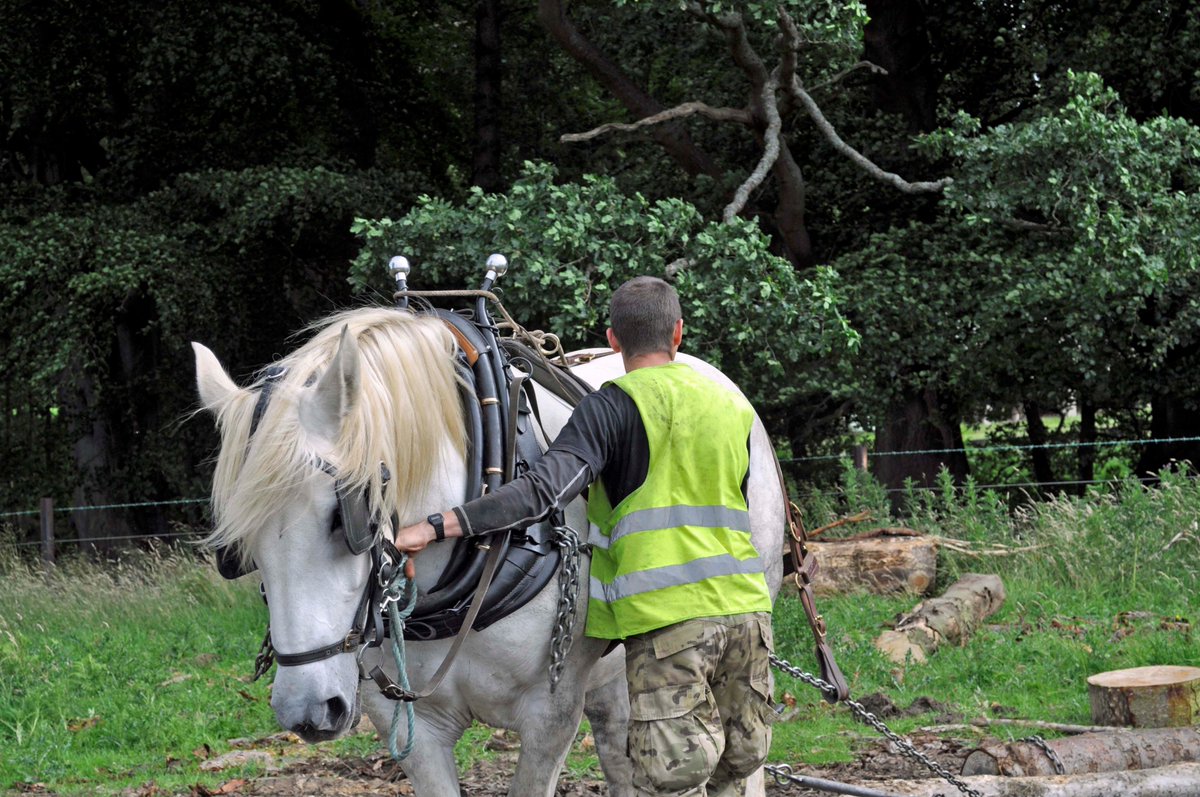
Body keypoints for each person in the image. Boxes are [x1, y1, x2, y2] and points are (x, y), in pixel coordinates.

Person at [394, 276, 776, 797]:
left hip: (670, 624)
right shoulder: (730, 405)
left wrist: (434, 525)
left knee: (674, 778)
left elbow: (541, 493)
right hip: (748, 615)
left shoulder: (612, 406)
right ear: (679, 333)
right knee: (737, 769)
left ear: (612, 339)